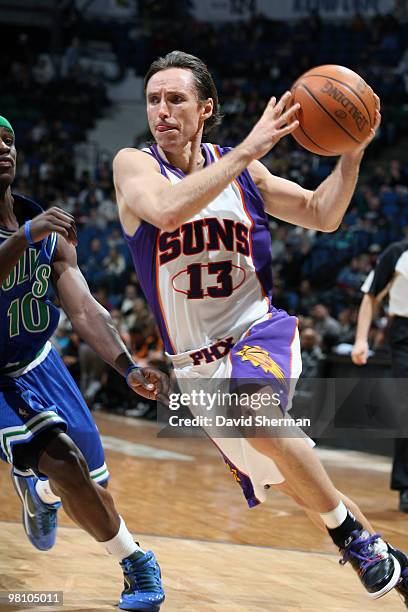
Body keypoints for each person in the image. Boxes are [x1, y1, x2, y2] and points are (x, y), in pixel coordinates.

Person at [113, 51, 408, 605]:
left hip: (256, 331)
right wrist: (250, 147)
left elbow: (323, 213)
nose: (162, 111)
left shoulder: (244, 170)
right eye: (154, 100)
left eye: (176, 99)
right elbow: (165, 212)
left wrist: (352, 153)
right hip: (197, 367)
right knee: (302, 485)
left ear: (206, 109)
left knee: (254, 409)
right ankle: (386, 555)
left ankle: (351, 538)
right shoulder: (135, 164)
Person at [0, 116, 165, 612]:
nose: (2, 148)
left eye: (8, 139)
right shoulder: (36, 229)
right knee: (64, 459)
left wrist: (127, 366)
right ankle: (138, 564)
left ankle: (41, 496)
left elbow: (85, 310)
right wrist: (25, 236)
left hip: (40, 362)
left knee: (91, 488)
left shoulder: (47, 230)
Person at [352, 240, 408, 514]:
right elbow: (370, 295)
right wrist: (361, 340)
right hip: (404, 335)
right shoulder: (396, 252)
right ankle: (406, 486)